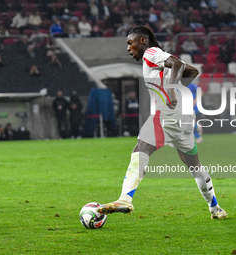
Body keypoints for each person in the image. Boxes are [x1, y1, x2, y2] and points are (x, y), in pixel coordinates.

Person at [97, 25, 227, 219]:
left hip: (167, 114)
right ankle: (215, 208)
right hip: (184, 118)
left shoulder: (151, 53)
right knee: (194, 165)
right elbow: (191, 71)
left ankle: (125, 198)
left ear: (142, 40)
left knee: (141, 148)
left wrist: (172, 89)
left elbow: (177, 64)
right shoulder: (157, 57)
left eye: (129, 43)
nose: (128, 48)